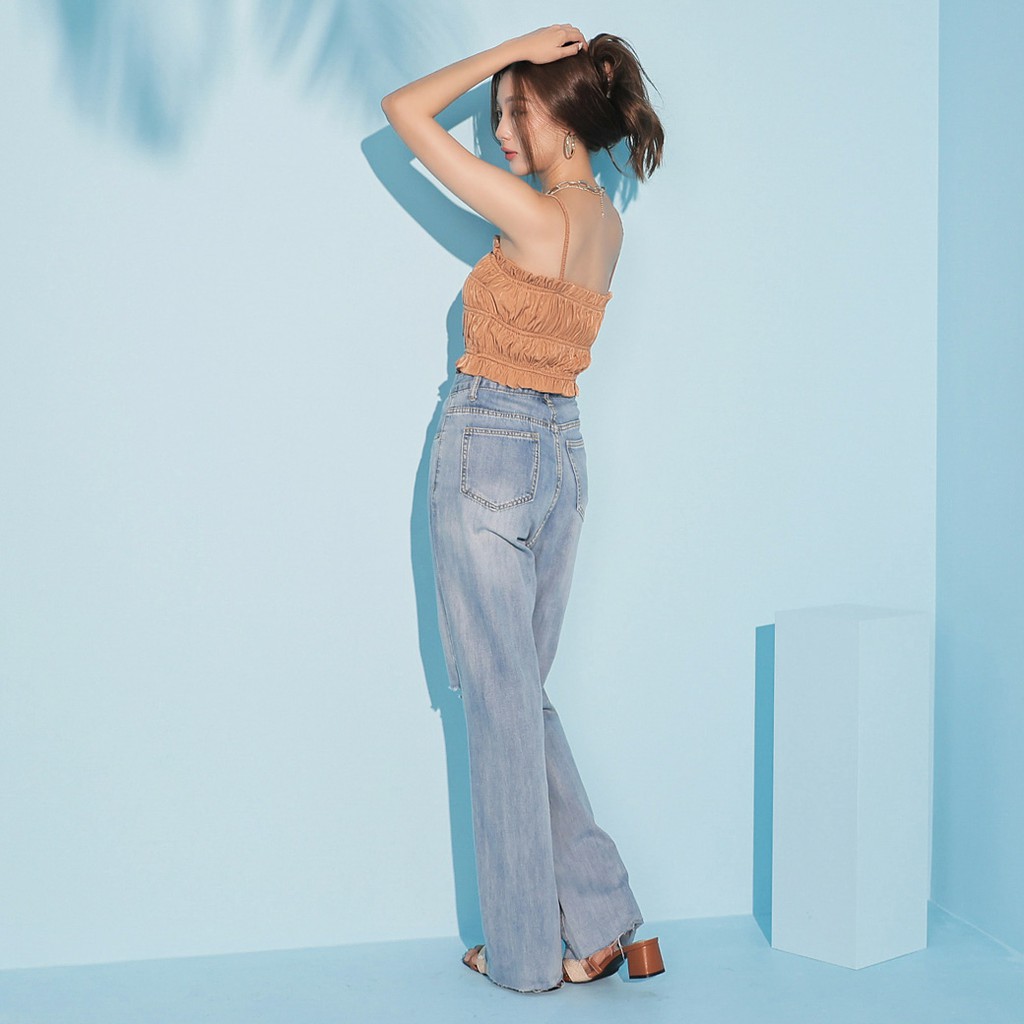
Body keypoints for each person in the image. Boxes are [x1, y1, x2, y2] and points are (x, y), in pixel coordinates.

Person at [381, 24, 665, 994]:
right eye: (498, 113)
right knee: (519, 697)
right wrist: (525, 70)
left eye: (515, 110)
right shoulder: (606, 226)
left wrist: (506, 49)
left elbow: (402, 113)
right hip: (561, 459)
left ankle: (522, 958)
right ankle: (606, 920)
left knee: (499, 708)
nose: (501, 130)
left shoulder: (534, 217)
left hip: (489, 446)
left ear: (563, 111)